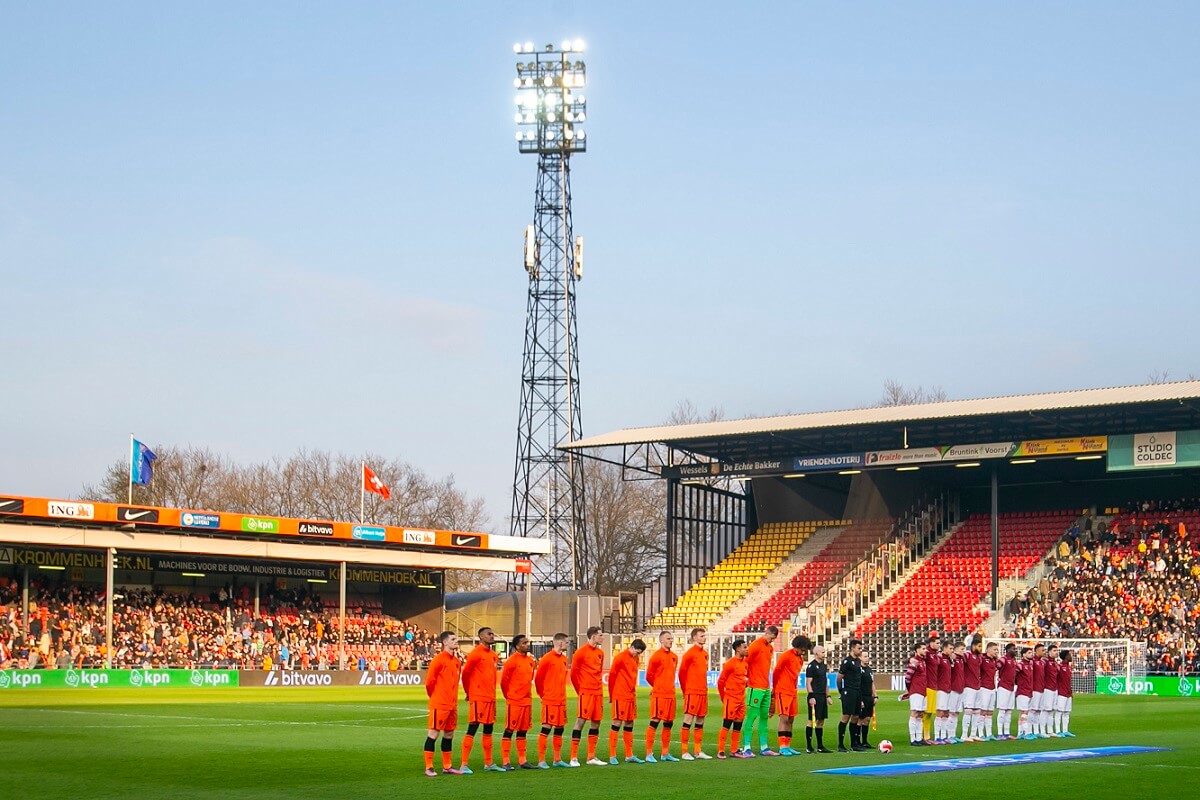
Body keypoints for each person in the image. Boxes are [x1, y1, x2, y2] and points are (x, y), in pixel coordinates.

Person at [459, 627, 501, 773]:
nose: (492, 636)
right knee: (473, 728)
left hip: (490, 698)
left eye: (492, 633)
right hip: (478, 697)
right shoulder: (475, 654)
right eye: (489, 634)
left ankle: (488, 763)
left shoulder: (494, 655)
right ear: (481, 636)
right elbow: (465, 675)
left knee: (488, 730)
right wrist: (468, 692)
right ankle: (463, 764)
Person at [424, 631, 464, 776]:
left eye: (456, 639)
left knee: (449, 735)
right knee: (433, 734)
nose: (456, 641)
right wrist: (435, 697)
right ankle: (428, 767)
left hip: (452, 705)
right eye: (453, 639)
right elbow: (429, 682)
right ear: (445, 642)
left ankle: (447, 766)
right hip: (439, 704)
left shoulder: (457, 662)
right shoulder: (438, 660)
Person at [569, 626, 606, 766]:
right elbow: (573, 674)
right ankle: (573, 757)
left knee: (596, 722)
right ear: (593, 636)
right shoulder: (580, 652)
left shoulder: (600, 653)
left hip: (598, 692)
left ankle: (591, 757)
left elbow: (599, 671)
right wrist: (581, 691)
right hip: (586, 692)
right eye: (600, 635)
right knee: (581, 721)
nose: (602, 637)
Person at [499, 634, 537, 770]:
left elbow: (530, 678)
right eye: (524, 643)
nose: (527, 644)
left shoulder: (530, 661)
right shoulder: (511, 661)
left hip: (527, 701)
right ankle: (506, 761)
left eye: (527, 642)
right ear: (517, 646)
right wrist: (509, 696)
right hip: (514, 701)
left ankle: (523, 761)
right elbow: (504, 682)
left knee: (523, 731)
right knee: (509, 730)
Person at [644, 630, 681, 763]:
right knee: (654, 722)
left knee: (668, 724)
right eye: (668, 638)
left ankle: (665, 753)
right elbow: (648, 676)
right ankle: (649, 753)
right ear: (661, 641)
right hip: (659, 695)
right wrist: (657, 687)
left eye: (671, 638)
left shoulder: (674, 657)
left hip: (671, 694)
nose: (671, 640)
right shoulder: (656, 656)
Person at [608, 638, 647, 764]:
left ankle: (629, 755)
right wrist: (611, 695)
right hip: (620, 695)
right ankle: (612, 755)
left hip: (631, 696)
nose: (637, 655)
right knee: (617, 723)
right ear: (632, 647)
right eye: (637, 651)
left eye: (639, 653)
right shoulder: (620, 658)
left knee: (629, 724)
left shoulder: (635, 659)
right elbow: (612, 676)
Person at [534, 632, 570, 769]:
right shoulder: (547, 659)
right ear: (560, 643)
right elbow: (538, 679)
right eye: (566, 642)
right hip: (550, 699)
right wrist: (543, 695)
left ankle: (557, 759)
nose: (567, 645)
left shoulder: (564, 659)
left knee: (560, 729)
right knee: (546, 728)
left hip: (561, 700)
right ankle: (541, 760)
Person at [742, 625, 779, 756]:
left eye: (774, 639)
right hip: (754, 686)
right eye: (772, 638)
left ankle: (764, 747)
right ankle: (746, 747)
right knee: (751, 717)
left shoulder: (770, 648)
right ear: (767, 633)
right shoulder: (755, 645)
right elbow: (746, 661)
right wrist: (746, 678)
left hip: (765, 687)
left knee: (764, 716)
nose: (772, 641)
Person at [771, 634, 810, 756]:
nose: (803, 652)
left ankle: (787, 745)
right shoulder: (786, 656)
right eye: (802, 649)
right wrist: (775, 687)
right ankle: (782, 746)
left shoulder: (800, 659)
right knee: (784, 718)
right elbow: (776, 671)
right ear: (797, 647)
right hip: (783, 690)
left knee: (791, 719)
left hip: (793, 691)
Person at [678, 627, 712, 760]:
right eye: (701, 636)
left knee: (700, 720)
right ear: (694, 638)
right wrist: (685, 691)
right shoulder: (689, 654)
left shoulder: (705, 653)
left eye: (704, 635)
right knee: (688, 720)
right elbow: (682, 673)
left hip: (703, 691)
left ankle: (698, 751)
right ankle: (684, 751)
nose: (704, 637)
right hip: (692, 692)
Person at [716, 639, 749, 759]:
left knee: (738, 725)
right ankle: (720, 750)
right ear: (738, 649)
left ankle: (734, 750)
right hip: (731, 698)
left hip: (741, 698)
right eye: (744, 647)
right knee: (727, 724)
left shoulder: (745, 663)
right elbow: (720, 682)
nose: (746, 649)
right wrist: (723, 697)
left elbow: (744, 679)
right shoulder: (730, 663)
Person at [836, 638, 866, 751]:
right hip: (849, 692)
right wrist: (842, 691)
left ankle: (854, 744)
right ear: (852, 648)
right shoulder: (846, 662)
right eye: (858, 648)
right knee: (846, 717)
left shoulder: (858, 661)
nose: (860, 650)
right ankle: (841, 744)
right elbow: (839, 678)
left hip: (857, 692)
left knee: (856, 717)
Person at [805, 645, 833, 753]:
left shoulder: (823, 666)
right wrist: (811, 696)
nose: (824, 654)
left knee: (821, 720)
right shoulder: (811, 666)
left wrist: (828, 696)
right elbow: (808, 682)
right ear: (816, 653)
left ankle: (820, 746)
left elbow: (825, 682)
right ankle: (809, 746)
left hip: (822, 696)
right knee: (811, 720)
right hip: (815, 696)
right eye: (822, 652)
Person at [902, 641, 929, 746]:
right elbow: (908, 677)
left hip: (923, 690)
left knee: (920, 714)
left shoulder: (923, 661)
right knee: (914, 713)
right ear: (917, 650)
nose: (925, 650)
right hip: (916, 690)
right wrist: (910, 689)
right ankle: (913, 739)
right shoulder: (914, 662)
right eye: (923, 649)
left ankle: (919, 737)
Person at [961, 636, 984, 742]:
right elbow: (957, 657)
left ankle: (973, 734)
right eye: (979, 646)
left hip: (977, 686)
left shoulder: (979, 657)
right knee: (968, 710)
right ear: (974, 646)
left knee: (977, 711)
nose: (981, 648)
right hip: (969, 687)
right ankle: (964, 735)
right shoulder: (967, 655)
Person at [977, 641, 1000, 741]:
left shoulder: (994, 660)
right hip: (984, 687)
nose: (996, 652)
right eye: (995, 650)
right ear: (988, 649)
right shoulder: (982, 658)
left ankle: (989, 733)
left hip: (992, 687)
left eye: (997, 650)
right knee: (983, 711)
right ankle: (981, 733)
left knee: (990, 712)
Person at [996, 642, 1018, 740]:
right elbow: (996, 667)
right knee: (1002, 710)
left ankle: (1007, 732)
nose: (1015, 650)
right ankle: (1000, 733)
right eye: (1013, 649)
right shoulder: (1003, 660)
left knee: (1009, 711)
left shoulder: (1013, 661)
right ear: (1008, 650)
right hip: (1003, 687)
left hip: (1011, 687)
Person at [857, 649, 878, 748]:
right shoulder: (858, 669)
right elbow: (857, 685)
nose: (867, 658)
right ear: (860, 658)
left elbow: (872, 683)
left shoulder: (869, 669)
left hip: (869, 697)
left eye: (868, 656)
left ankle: (864, 741)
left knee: (867, 719)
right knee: (860, 719)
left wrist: (875, 695)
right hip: (862, 696)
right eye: (865, 656)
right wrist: (859, 699)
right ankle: (857, 741)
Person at [923, 635, 942, 742]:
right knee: (925, 712)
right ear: (931, 643)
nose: (939, 645)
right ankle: (921, 736)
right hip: (927, 686)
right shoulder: (927, 654)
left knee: (930, 713)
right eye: (937, 643)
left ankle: (927, 736)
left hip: (934, 686)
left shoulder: (935, 655)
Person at [1015, 646, 1035, 739]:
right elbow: (1013, 675)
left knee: (1024, 712)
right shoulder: (1020, 665)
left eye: (1031, 653)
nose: (1031, 654)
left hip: (1029, 691)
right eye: (1029, 653)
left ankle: (1020, 733)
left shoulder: (1030, 664)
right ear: (1024, 654)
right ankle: (1026, 732)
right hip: (1022, 691)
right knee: (1024, 712)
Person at [948, 642, 966, 743]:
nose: (963, 651)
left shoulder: (961, 659)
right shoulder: (952, 658)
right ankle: (949, 735)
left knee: (956, 713)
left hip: (960, 688)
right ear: (955, 650)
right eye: (962, 649)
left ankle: (953, 734)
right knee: (951, 712)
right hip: (953, 689)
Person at [1055, 649, 1075, 737]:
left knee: (1067, 712)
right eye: (1069, 655)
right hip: (1061, 692)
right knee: (1059, 712)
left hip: (1068, 693)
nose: (1071, 656)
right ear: (1066, 656)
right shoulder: (1059, 667)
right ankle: (1058, 731)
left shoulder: (1068, 667)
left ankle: (1065, 730)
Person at [1028, 643, 1047, 739]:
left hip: (1041, 689)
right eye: (1042, 650)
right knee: (1032, 710)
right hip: (1034, 689)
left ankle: (1036, 731)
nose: (1044, 652)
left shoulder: (1042, 662)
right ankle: (1029, 730)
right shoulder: (1032, 662)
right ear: (1036, 651)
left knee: (1038, 711)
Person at [1042, 644, 1060, 738]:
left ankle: (1050, 730)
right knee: (1045, 710)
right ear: (1049, 652)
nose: (1056, 652)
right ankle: (1042, 730)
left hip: (1054, 688)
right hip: (1047, 688)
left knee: (1051, 710)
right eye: (1054, 650)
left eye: (1057, 651)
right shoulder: (1045, 661)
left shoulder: (1055, 663)